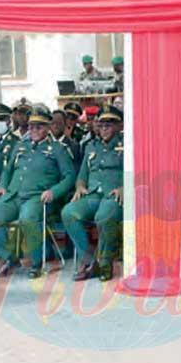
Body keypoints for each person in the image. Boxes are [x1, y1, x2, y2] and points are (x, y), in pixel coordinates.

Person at [0, 105, 76, 279]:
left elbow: (70, 177)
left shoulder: (58, 149)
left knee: (27, 219)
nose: (34, 130)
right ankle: (8, 257)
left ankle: (36, 262)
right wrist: (3, 186)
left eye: (39, 126)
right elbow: (7, 170)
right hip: (14, 195)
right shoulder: (20, 145)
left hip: (38, 197)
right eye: (31, 126)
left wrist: (54, 191)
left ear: (48, 127)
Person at [63, 106, 124, 282]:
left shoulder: (127, 145)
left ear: (118, 126)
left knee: (104, 216)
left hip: (114, 195)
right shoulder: (91, 146)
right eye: (101, 124)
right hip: (92, 194)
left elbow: (135, 172)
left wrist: (124, 188)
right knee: (68, 212)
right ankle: (90, 259)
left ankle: (105, 264)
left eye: (109, 124)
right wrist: (80, 186)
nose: (104, 128)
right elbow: (82, 174)